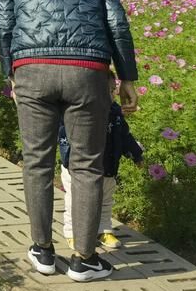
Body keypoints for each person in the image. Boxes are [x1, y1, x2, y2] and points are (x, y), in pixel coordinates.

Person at [0, 0, 138, 283]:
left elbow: (3, 25)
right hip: (87, 72)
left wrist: (9, 73)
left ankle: (42, 251)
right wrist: (128, 77)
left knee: (36, 162)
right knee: (87, 165)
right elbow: (117, 24)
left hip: (32, 69)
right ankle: (85, 260)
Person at [59, 76, 143, 251]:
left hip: (108, 166)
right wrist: (68, 160)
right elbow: (64, 136)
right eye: (109, 90)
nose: (113, 94)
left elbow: (125, 136)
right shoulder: (78, 111)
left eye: (114, 89)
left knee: (105, 201)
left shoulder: (115, 113)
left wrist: (136, 155)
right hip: (77, 168)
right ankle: (72, 232)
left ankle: (103, 230)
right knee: (74, 200)